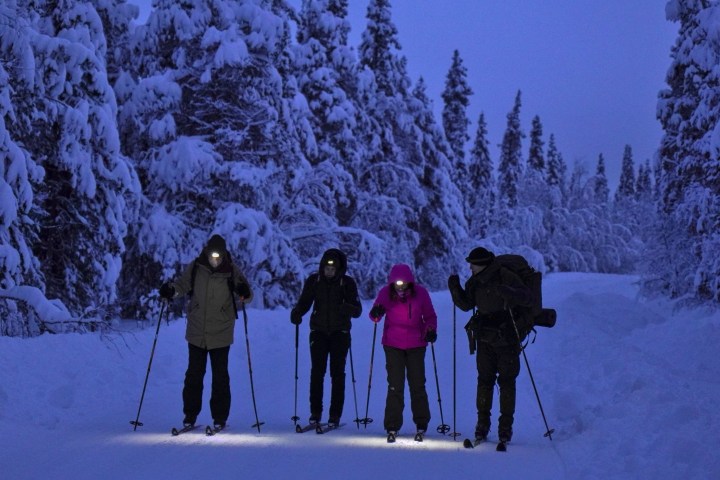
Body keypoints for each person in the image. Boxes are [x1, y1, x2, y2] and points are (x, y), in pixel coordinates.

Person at [159, 234, 252, 429]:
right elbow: (182, 286)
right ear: (207, 253)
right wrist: (171, 290)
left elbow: (247, 294)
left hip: (221, 331)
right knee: (193, 375)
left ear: (224, 255)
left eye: (219, 257)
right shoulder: (196, 267)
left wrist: (244, 291)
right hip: (197, 330)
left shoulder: (231, 270)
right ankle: (190, 416)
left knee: (220, 376)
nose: (215, 260)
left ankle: (220, 418)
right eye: (212, 256)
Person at [447, 247, 532, 444]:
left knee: (506, 382)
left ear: (483, 264)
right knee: (484, 381)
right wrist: (454, 288)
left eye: (473, 264)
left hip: (508, 338)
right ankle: (482, 425)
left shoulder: (506, 276)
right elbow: (467, 304)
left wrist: (509, 292)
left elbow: (528, 298)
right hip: (485, 338)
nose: (470, 267)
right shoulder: (475, 282)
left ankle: (505, 428)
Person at [290, 248, 362, 427]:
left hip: (340, 333)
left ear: (338, 269)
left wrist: (349, 308)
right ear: (322, 267)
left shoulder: (347, 283)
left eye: (332, 269)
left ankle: (335, 414)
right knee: (317, 372)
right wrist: (297, 313)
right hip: (318, 332)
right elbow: (304, 302)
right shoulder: (314, 281)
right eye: (326, 268)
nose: (329, 272)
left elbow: (358, 310)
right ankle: (315, 412)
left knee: (337, 374)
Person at [369, 263, 437, 441]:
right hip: (393, 344)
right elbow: (375, 316)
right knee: (394, 385)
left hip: (416, 343)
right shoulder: (386, 293)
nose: (400, 286)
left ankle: (421, 422)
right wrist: (376, 312)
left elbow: (430, 316)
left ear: (410, 282)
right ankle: (392, 424)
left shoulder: (421, 293)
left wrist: (430, 330)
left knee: (417, 384)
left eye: (403, 283)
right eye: (397, 283)